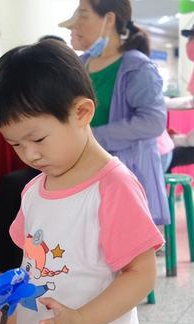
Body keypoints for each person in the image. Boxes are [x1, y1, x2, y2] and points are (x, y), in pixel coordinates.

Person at [0, 40, 162, 324]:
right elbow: (27, 274)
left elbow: (142, 273)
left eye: (38, 139)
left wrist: (80, 320)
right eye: (15, 144)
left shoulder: (113, 187)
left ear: (81, 112)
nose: (29, 154)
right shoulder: (33, 192)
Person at [60, 0, 169, 226]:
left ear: (109, 20)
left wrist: (94, 136)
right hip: (87, 170)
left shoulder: (136, 67)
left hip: (126, 173)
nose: (76, 24)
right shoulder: (81, 64)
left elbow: (153, 122)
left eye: (83, 15)